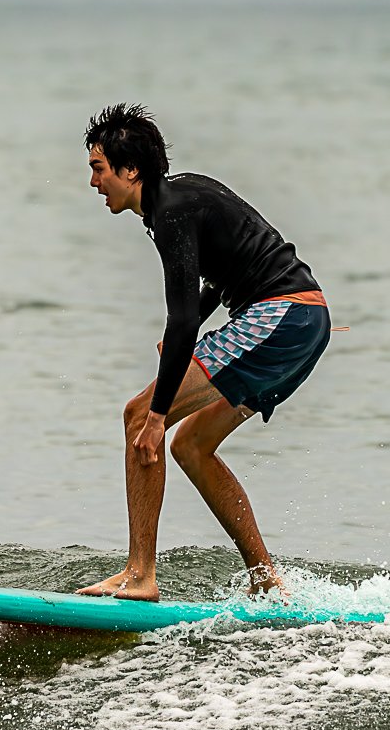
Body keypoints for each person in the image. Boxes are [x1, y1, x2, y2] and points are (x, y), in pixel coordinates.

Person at [76, 103, 332, 602]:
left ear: (131, 171)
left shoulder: (170, 212)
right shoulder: (179, 199)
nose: (93, 183)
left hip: (280, 317)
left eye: (98, 169)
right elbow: (223, 270)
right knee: (190, 445)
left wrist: (157, 411)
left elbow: (184, 320)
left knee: (138, 419)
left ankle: (139, 574)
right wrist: (186, 333)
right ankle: (266, 580)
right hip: (304, 321)